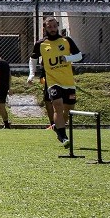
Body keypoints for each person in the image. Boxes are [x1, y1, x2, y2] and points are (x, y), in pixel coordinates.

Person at [27, 16, 82, 148]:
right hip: (53, 81)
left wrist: (67, 58)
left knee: (68, 110)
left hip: (68, 81)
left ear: (57, 26)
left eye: (54, 26)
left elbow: (79, 56)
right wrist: (31, 74)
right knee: (57, 105)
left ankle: (58, 127)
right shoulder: (40, 44)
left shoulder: (66, 40)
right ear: (44, 28)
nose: (52, 29)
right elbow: (33, 59)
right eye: (49, 27)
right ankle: (63, 137)